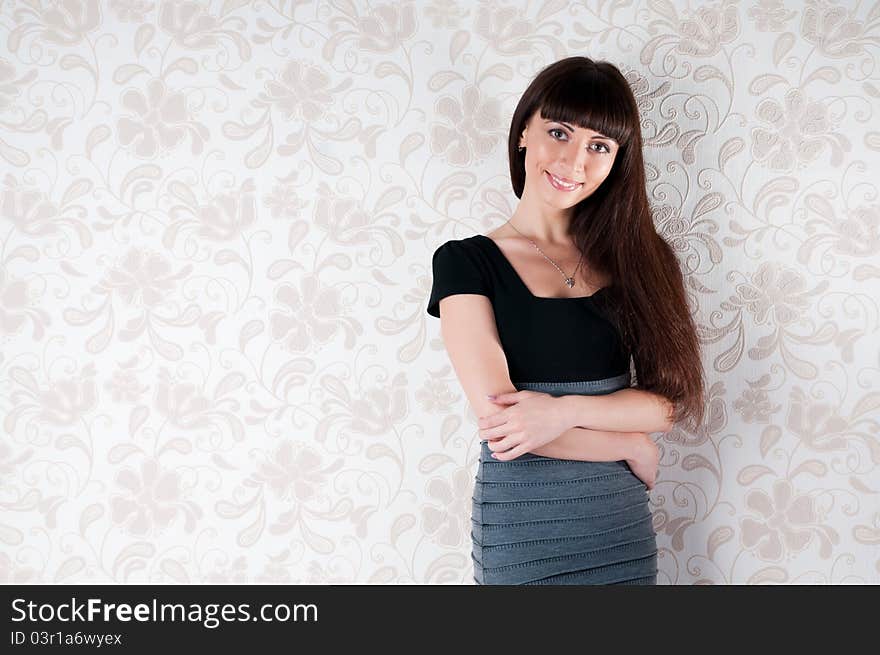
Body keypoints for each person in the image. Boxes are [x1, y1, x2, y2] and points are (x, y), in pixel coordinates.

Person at [426, 56, 706, 585]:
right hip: (524, 531)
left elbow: (666, 405)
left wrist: (563, 410)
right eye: (559, 132)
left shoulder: (644, 259)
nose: (574, 160)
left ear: (618, 159)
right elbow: (505, 427)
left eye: (599, 146)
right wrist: (625, 442)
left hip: (617, 527)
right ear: (524, 133)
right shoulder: (465, 262)